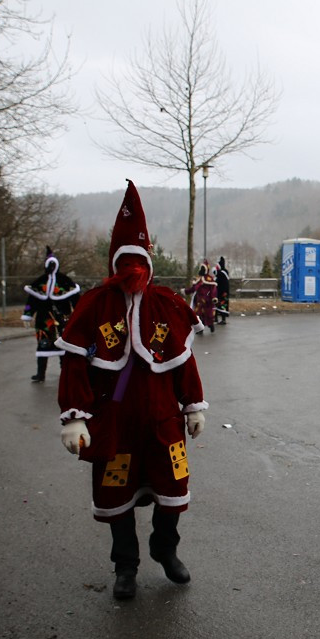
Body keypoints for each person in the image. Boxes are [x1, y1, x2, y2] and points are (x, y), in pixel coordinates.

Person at [56, 181, 207, 601]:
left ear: (148, 263)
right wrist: (74, 416)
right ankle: (126, 565)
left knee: (172, 489)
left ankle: (165, 547)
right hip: (115, 422)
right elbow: (73, 362)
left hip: (162, 420)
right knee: (117, 496)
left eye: (139, 260)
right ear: (115, 262)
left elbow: (183, 359)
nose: (133, 269)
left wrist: (193, 405)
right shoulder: (94, 304)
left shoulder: (167, 304)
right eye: (126, 260)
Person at [22, 247, 81, 383]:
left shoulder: (64, 281)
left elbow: (76, 299)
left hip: (63, 319)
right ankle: (40, 373)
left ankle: (65, 373)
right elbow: (32, 300)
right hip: (44, 320)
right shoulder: (40, 282)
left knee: (63, 346)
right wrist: (27, 314)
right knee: (43, 345)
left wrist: (80, 314)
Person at [184, 262, 218, 332]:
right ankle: (200, 329)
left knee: (208, 314)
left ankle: (211, 325)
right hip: (199, 300)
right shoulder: (198, 278)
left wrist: (213, 297)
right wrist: (186, 291)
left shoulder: (209, 279)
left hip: (208, 301)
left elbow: (213, 289)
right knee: (199, 315)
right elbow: (194, 288)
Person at [214, 256, 230, 325]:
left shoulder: (221, 273)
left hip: (222, 292)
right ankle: (216, 318)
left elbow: (217, 278)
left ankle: (223, 319)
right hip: (223, 292)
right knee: (218, 305)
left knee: (222, 305)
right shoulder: (224, 272)